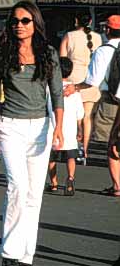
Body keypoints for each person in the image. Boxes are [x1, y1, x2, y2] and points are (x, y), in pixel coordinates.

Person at [0, 1, 64, 266]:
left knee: (33, 195)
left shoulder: (48, 53)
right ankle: (10, 253)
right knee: (17, 187)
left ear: (35, 23)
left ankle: (25, 256)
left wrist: (59, 128)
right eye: (15, 21)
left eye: (25, 20)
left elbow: (57, 94)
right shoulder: (1, 53)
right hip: (9, 127)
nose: (19, 25)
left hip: (41, 127)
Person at [64, 14, 120, 197]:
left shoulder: (104, 50)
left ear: (108, 30)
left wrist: (76, 87)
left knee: (113, 144)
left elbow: (93, 80)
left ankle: (118, 186)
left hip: (112, 100)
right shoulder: (97, 41)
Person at [60, 11, 103, 163]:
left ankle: (73, 147)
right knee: (87, 117)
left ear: (76, 20)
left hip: (71, 82)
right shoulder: (98, 38)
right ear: (90, 21)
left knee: (72, 116)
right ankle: (84, 150)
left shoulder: (69, 36)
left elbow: (63, 60)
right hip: (91, 81)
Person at [46, 57, 84, 196]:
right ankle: (70, 178)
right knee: (70, 157)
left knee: (52, 158)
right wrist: (80, 129)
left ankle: (54, 183)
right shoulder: (74, 92)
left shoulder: (49, 88)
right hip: (70, 130)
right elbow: (80, 114)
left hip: (53, 128)